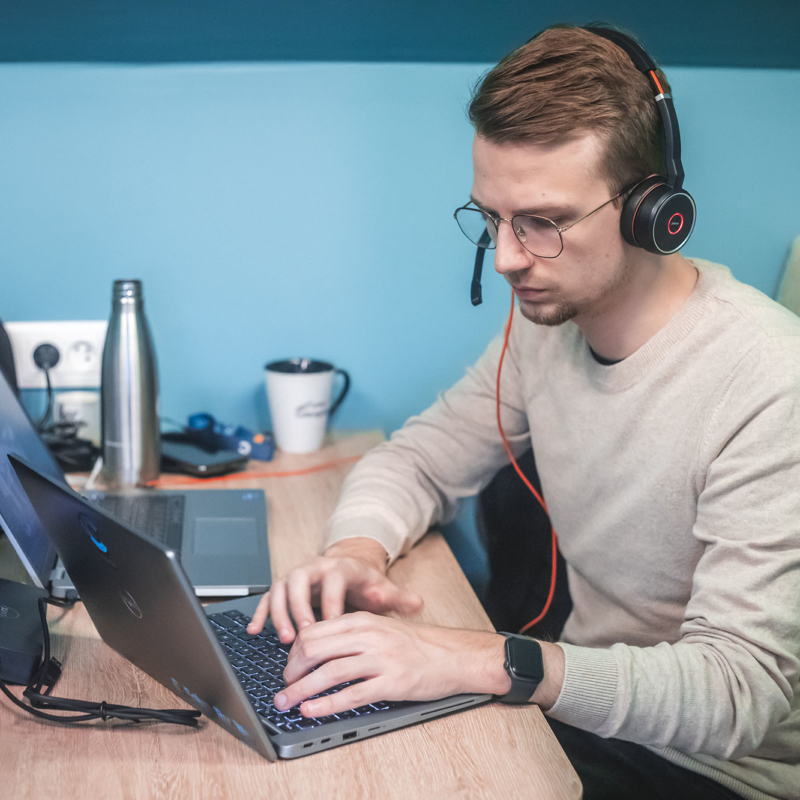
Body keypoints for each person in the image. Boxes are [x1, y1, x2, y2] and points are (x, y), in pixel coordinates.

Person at [249, 24, 800, 800]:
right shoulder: (550, 328)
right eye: (492, 219)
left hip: (715, 772)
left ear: (654, 208)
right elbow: (418, 459)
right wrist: (355, 554)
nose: (507, 257)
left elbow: (738, 696)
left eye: (542, 222)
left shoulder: (771, 380)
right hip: (585, 716)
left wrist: (476, 657)